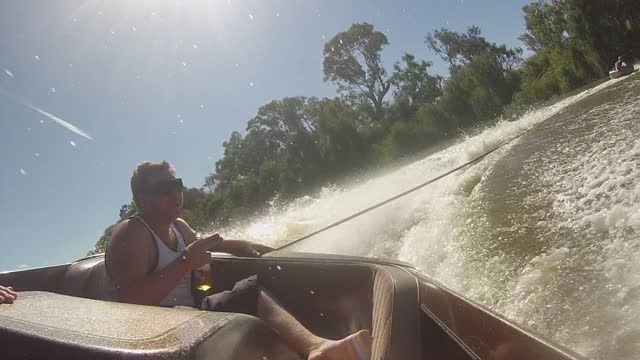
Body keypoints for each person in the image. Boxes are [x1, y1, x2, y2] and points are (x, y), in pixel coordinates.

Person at [105, 160, 371, 360]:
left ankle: (311, 344)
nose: (175, 193)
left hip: (189, 312)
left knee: (262, 281)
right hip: (158, 331)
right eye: (163, 188)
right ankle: (318, 350)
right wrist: (186, 262)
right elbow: (131, 300)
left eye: (176, 185)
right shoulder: (133, 233)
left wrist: (242, 244)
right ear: (142, 199)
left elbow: (205, 245)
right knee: (249, 292)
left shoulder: (178, 225)